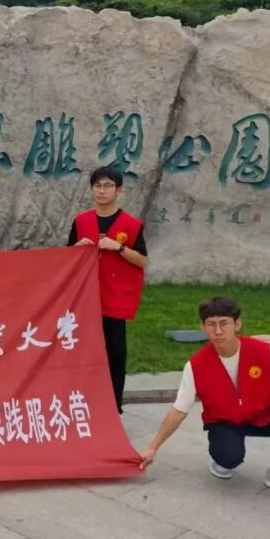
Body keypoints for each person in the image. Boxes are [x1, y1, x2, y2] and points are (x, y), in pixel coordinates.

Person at [140, 296, 270, 501]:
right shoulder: (195, 365)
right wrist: (152, 448)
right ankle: (222, 459)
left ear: (237, 324)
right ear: (203, 327)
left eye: (224, 323)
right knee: (229, 458)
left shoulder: (262, 352)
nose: (218, 331)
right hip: (224, 422)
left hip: (263, 414)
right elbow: (179, 411)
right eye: (211, 324)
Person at [67, 166, 148, 412]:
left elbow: (142, 260)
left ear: (118, 190)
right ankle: (83, 403)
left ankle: (113, 406)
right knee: (82, 352)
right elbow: (66, 259)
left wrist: (119, 247)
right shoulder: (81, 221)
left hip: (114, 297)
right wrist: (77, 249)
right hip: (84, 297)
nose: (102, 191)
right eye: (97, 186)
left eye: (108, 186)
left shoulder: (131, 225)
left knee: (115, 353)